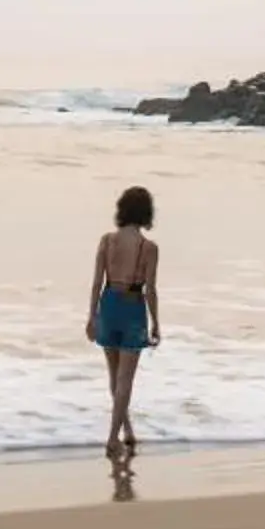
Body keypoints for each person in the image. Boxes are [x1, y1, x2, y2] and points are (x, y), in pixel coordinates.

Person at [85, 184, 160, 460]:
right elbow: (150, 289)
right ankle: (112, 438)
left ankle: (127, 429)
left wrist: (92, 316)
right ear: (146, 213)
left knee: (114, 376)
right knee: (125, 380)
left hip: (109, 304)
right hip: (132, 307)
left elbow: (96, 283)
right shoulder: (148, 248)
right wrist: (156, 324)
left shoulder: (106, 241)